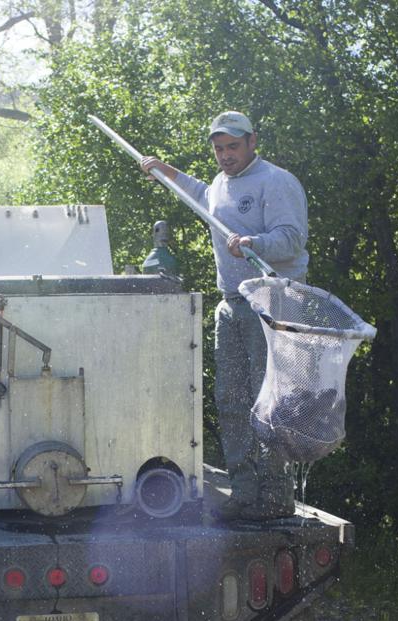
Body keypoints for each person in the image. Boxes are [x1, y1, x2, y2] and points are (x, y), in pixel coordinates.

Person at [140, 111, 309, 521]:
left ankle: (275, 497)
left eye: (233, 146)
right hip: (231, 304)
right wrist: (165, 171)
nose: (225, 155)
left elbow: (291, 239)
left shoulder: (276, 181)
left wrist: (255, 242)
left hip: (272, 302)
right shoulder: (220, 183)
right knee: (231, 401)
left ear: (252, 141)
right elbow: (201, 194)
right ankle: (245, 493)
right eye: (218, 148)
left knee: (267, 402)